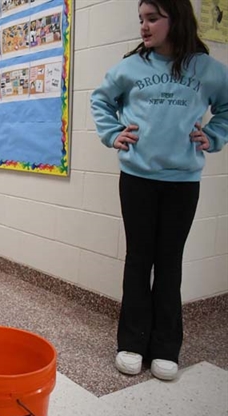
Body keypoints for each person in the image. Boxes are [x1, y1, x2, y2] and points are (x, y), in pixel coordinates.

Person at [90, 0, 228, 381]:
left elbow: (227, 107)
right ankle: (132, 343)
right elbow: (100, 99)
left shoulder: (207, 70)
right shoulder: (132, 67)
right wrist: (112, 133)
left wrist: (213, 136)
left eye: (153, 19)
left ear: (176, 19)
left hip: (182, 183)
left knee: (169, 263)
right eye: (141, 19)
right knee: (139, 260)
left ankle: (166, 348)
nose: (144, 27)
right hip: (137, 179)